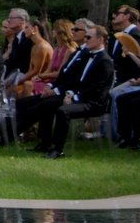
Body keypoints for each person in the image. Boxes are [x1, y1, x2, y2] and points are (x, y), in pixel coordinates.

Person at [18, 20, 112, 157]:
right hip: (76, 95)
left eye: (88, 37)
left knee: (63, 111)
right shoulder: (85, 55)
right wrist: (68, 93)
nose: (86, 40)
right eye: (85, 37)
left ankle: (58, 149)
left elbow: (97, 89)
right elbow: (74, 80)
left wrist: (74, 97)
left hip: (93, 102)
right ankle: (44, 143)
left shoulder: (105, 61)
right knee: (46, 104)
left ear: (100, 40)